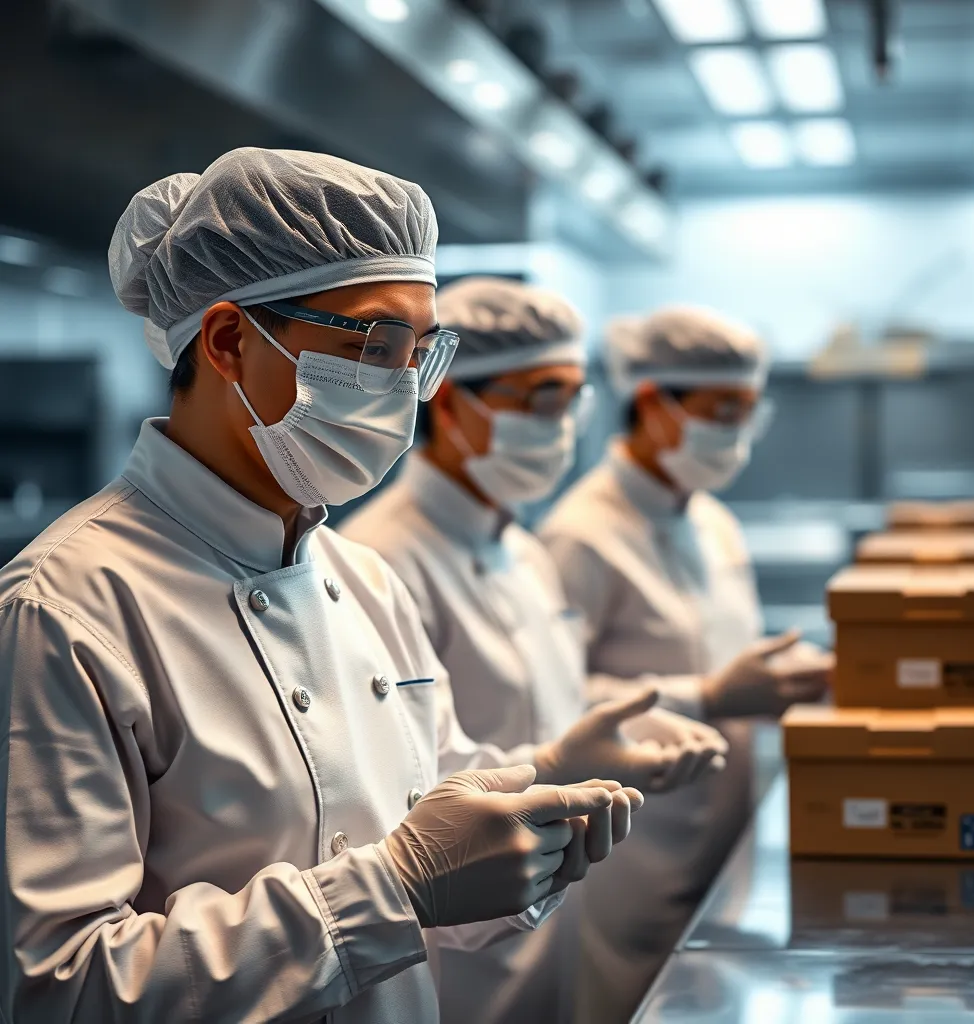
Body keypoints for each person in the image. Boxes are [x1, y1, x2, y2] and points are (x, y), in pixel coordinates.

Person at [0, 149, 644, 1024]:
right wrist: (394, 888)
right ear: (229, 342)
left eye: (420, 353)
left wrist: (535, 825)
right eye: (376, 345)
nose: (403, 392)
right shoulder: (64, 610)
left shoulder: (364, 580)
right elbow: (57, 988)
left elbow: (437, 881)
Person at [341, 277, 729, 1023]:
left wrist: (622, 734)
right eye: (542, 399)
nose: (564, 425)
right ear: (449, 403)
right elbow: (400, 799)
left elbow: (549, 700)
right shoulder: (384, 562)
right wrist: (561, 764)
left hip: (545, 928)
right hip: (454, 961)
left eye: (573, 400)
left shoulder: (521, 548)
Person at [539, 306, 833, 1024]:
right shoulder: (580, 537)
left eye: (748, 413)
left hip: (723, 848)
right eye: (721, 410)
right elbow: (548, 702)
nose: (735, 433)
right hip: (629, 864)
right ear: (652, 403)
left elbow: (726, 661)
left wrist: (786, 685)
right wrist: (704, 696)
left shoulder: (711, 520)